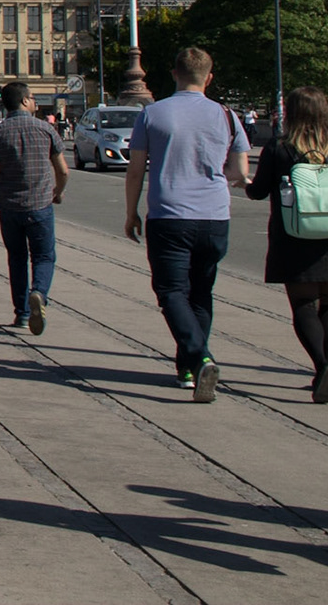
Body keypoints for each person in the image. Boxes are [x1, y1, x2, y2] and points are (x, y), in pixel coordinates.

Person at [124, 47, 251, 401]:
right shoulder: (228, 117)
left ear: (173, 73)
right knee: (200, 292)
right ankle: (188, 369)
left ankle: (200, 356)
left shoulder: (153, 113)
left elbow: (135, 170)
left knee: (170, 292)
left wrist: (131, 212)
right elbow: (240, 172)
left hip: (170, 215)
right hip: (214, 217)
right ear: (209, 77)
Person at [245, 85, 328, 403]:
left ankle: (322, 365)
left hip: (293, 236)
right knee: (326, 304)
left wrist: (244, 182)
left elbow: (259, 192)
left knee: (303, 305)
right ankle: (322, 373)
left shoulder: (280, 147)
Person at [0, 81, 69, 333]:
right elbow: (62, 170)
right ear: (24, 101)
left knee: (16, 258)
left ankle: (22, 314)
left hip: (9, 207)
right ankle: (39, 292)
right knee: (44, 255)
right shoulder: (45, 129)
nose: (35, 102)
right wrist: (58, 193)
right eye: (32, 98)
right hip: (40, 206)